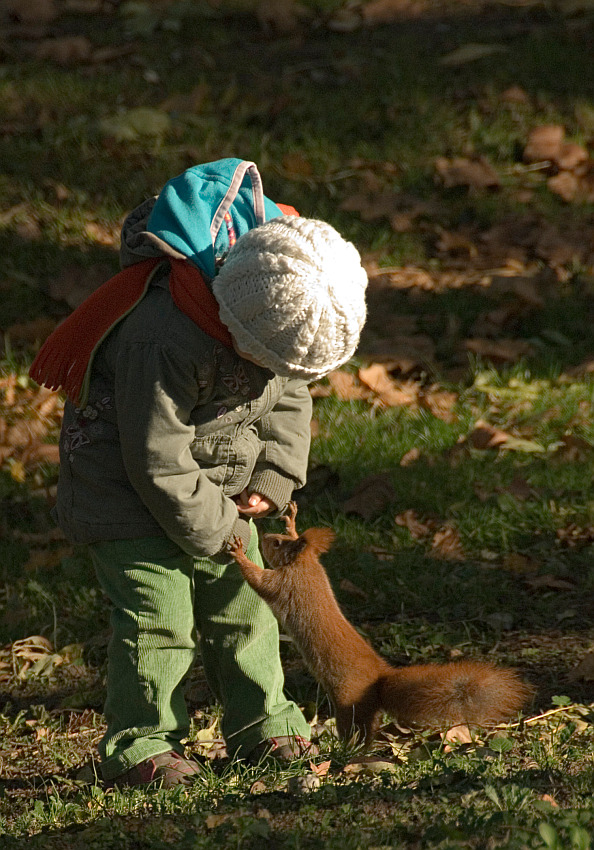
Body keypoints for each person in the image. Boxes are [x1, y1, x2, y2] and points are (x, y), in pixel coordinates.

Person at [30, 158, 368, 788]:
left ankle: (263, 726)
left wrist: (272, 477)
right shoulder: (163, 338)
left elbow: (289, 395)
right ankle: (142, 745)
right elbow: (155, 457)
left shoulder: (268, 330)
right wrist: (218, 531)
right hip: (125, 493)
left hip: (216, 486)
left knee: (247, 607)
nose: (278, 374)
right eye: (265, 360)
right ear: (232, 321)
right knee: (157, 619)